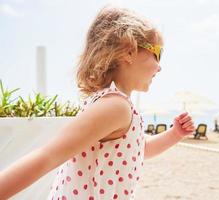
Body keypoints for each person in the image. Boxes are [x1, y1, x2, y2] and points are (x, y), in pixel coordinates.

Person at [0, 5, 195, 200]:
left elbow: (139, 149)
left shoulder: (116, 106)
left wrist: (174, 134)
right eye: (158, 54)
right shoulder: (115, 107)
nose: (159, 67)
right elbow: (48, 156)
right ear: (129, 51)